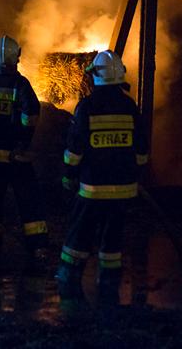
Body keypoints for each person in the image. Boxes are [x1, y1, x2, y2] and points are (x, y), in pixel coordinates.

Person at [55, 50, 148, 304]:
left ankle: (68, 279)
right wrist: (136, 175)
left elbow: (75, 148)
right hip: (124, 190)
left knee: (79, 235)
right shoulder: (130, 107)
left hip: (92, 189)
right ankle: (108, 285)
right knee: (112, 242)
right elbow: (141, 148)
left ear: (96, 76)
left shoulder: (87, 107)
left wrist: (68, 175)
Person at [0, 35, 47, 290]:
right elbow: (31, 115)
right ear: (17, 56)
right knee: (29, 202)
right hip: (13, 158)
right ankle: (36, 249)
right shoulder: (20, 84)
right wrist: (22, 142)